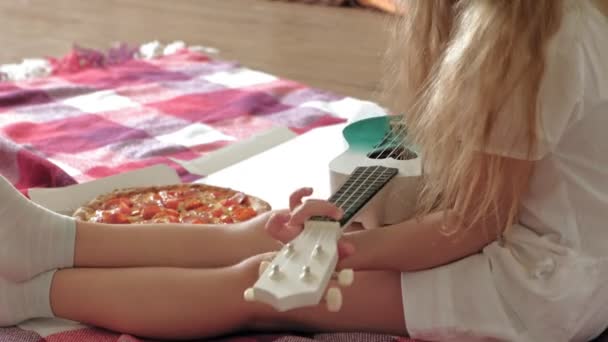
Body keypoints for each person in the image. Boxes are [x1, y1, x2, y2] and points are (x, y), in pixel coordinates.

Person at [1, 0, 607, 341]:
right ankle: (51, 240)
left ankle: (26, 292)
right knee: (261, 235)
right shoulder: (529, 25)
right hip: (542, 257)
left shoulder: (531, 45)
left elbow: (472, 226)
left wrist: (350, 251)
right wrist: (360, 231)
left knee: (264, 284)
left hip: (540, 292)